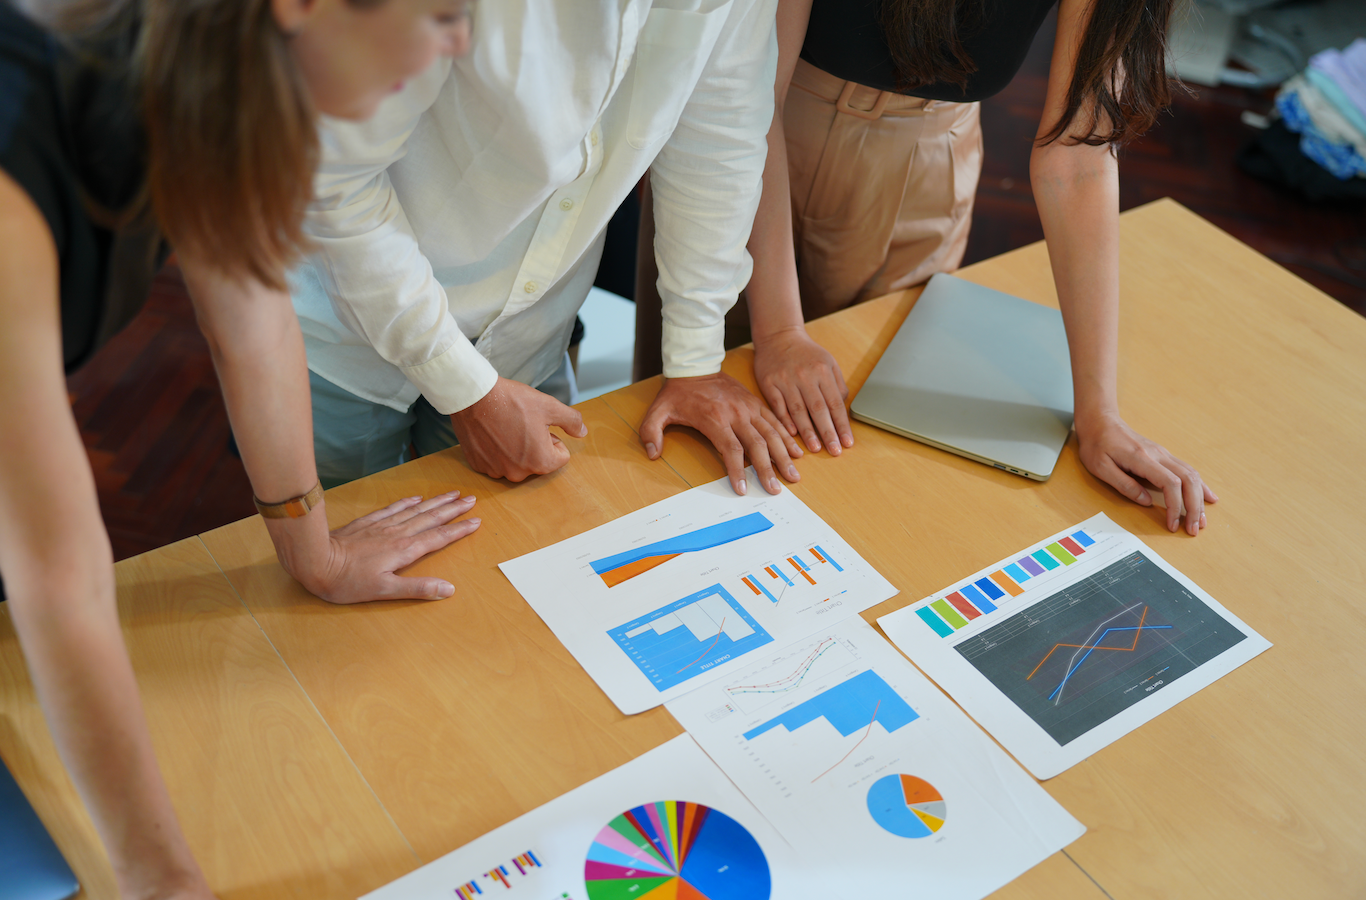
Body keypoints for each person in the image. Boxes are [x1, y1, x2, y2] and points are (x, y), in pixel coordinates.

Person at [0, 1, 477, 896]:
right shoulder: (16, 171)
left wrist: (319, 555)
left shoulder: (214, 97)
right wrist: (160, 878)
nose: (461, 43)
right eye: (446, 11)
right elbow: (58, 574)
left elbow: (253, 324)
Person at [643, 0, 1218, 536]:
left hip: (932, 160)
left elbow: (1081, 156)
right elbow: (745, 102)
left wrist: (1099, 414)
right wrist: (780, 331)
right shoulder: (737, 130)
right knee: (694, 433)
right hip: (746, 153)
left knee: (877, 457)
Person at [289, 0, 806, 501]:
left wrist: (696, 360)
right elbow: (335, 181)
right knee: (343, 542)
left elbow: (720, 133)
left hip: (526, 333)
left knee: (513, 550)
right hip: (344, 321)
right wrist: (465, 387)